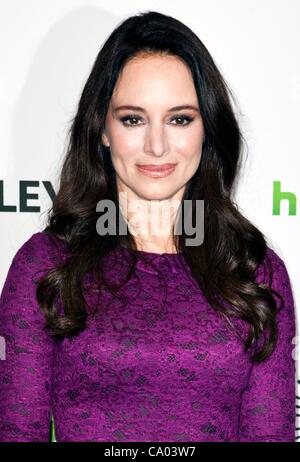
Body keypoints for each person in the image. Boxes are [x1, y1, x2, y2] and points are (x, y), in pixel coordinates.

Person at [0, 10, 296, 442]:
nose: (157, 145)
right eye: (133, 119)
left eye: (179, 119)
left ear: (207, 129)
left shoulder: (255, 274)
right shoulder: (47, 266)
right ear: (102, 128)